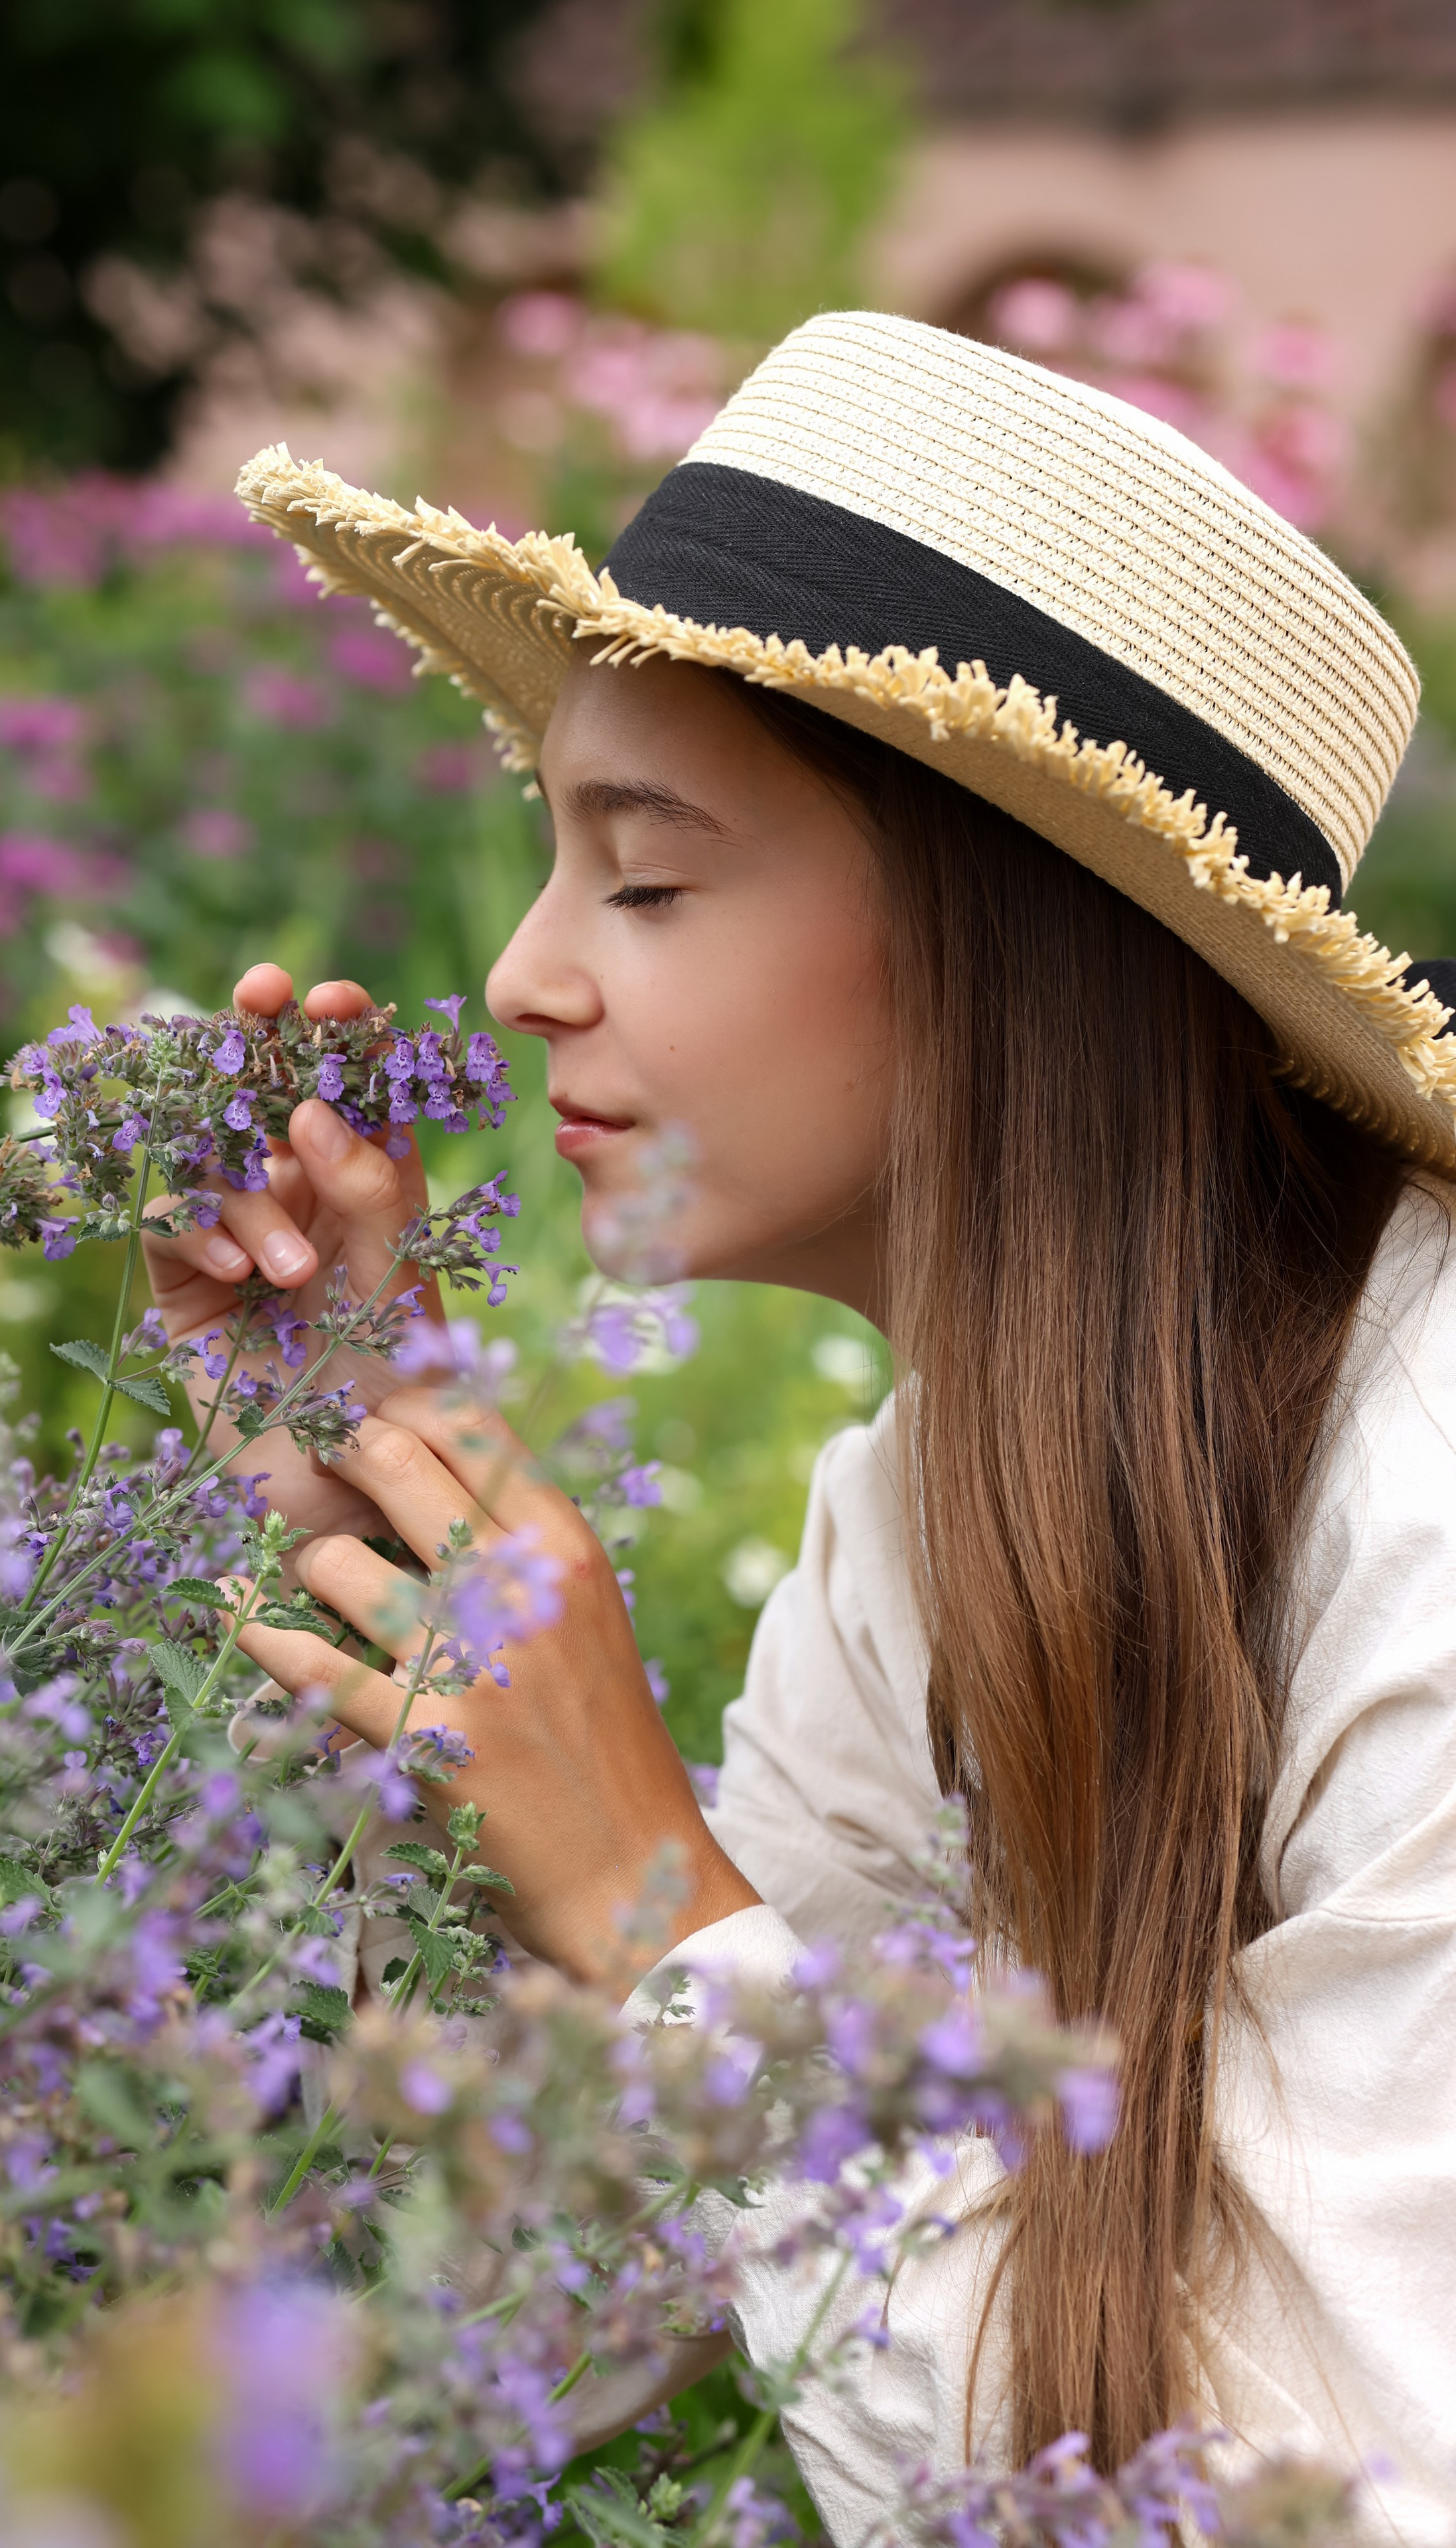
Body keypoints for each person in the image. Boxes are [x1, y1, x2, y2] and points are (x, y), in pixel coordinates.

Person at [143, 315, 1456, 2539]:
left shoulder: (1421, 1498)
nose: (521, 976)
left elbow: (1349, 2478)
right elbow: (596, 2315)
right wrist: (382, 1500)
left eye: (644, 875)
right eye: (554, 857)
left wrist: (660, 1912)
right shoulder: (921, 1526)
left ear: (1008, 942)